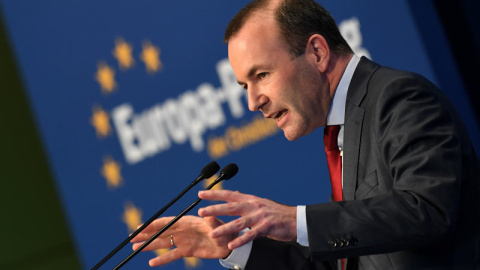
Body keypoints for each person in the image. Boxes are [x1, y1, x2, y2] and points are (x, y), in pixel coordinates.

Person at [131, 0, 480, 269]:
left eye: (262, 75)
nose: (253, 101)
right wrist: (237, 246)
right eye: (243, 85)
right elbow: (341, 260)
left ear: (317, 52)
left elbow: (429, 211)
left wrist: (295, 220)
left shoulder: (398, 97)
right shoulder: (343, 128)